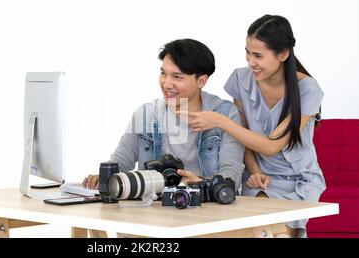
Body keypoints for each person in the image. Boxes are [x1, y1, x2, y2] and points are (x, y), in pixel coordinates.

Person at [179, 15, 325, 238]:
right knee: (254, 231)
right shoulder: (240, 79)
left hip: (299, 181)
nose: (250, 61)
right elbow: (243, 136)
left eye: (258, 55)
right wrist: (255, 171)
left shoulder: (308, 89)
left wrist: (220, 121)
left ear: (283, 54)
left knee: (273, 232)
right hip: (259, 179)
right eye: (247, 52)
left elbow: (271, 146)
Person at [82, 38, 245, 193]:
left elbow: (232, 174)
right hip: (155, 206)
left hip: (209, 205)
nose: (166, 84)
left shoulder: (225, 114)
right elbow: (122, 160)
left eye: (177, 77)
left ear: (201, 81)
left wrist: (200, 183)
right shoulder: (146, 114)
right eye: (163, 74)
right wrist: (103, 177)